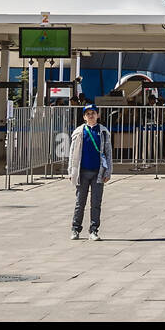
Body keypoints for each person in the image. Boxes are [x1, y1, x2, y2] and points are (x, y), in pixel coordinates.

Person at [68, 103, 112, 240]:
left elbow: (108, 152)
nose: (91, 115)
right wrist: (71, 171)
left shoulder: (103, 132)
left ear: (97, 115)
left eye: (93, 113)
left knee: (96, 203)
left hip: (98, 172)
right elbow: (72, 152)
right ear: (84, 117)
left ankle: (94, 230)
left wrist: (108, 171)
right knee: (80, 202)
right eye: (88, 114)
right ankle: (75, 229)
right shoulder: (79, 132)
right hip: (82, 172)